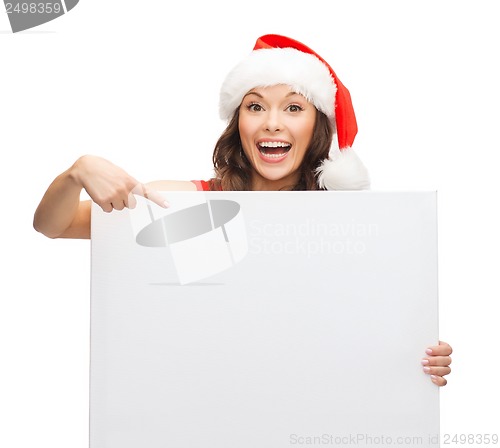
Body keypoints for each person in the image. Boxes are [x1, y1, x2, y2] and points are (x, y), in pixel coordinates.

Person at [33, 34, 452, 386]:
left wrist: (418, 361)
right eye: (255, 106)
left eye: (293, 107)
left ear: (317, 127)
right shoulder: (187, 203)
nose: (272, 123)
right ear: (239, 123)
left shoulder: (347, 229)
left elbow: (369, 330)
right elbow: (56, 224)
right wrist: (77, 172)